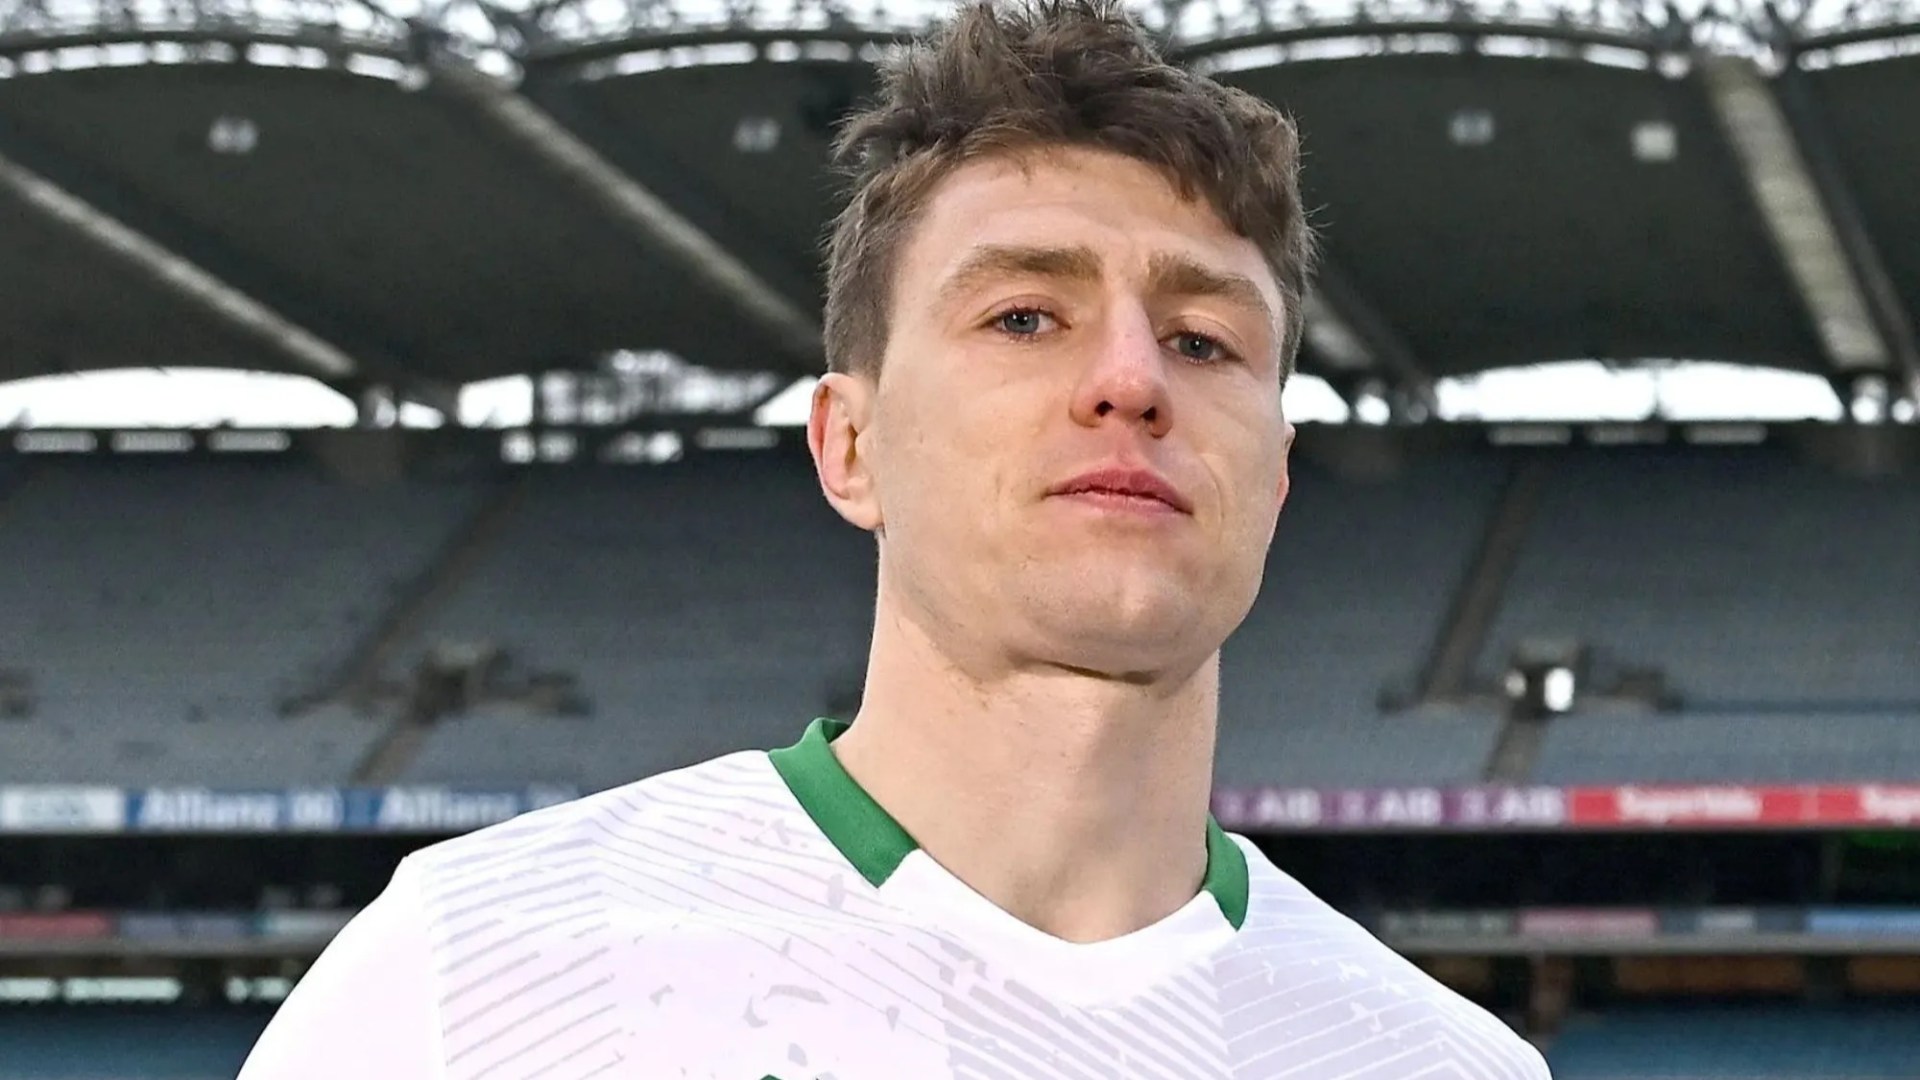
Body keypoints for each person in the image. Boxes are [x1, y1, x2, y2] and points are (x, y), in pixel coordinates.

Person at [238, 1, 1553, 1075]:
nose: (1131, 379)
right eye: (1025, 317)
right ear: (849, 445)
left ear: (1275, 482)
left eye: (1205, 340)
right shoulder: (476, 973)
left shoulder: (1440, 1063)